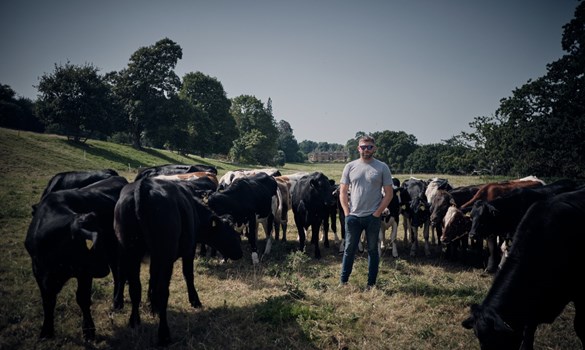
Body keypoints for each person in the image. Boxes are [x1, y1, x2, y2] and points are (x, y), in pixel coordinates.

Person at [339, 135, 393, 290]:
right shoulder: (350, 166)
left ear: (374, 148)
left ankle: (371, 284)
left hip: (372, 217)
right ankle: (343, 282)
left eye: (369, 147)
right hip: (353, 217)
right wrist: (347, 212)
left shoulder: (382, 167)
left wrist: (377, 213)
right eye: (363, 147)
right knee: (349, 249)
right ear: (358, 148)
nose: (366, 150)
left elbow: (389, 193)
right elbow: (343, 191)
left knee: (373, 250)